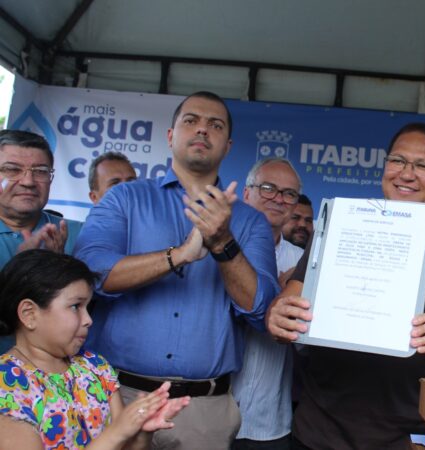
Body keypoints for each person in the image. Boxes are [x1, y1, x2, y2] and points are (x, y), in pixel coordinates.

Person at [267, 122, 425, 449]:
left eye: (422, 165)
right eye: (398, 161)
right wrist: (277, 316)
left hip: (403, 438)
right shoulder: (340, 226)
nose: (406, 173)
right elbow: (287, 304)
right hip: (318, 430)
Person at [74, 91, 279, 449]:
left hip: (203, 412)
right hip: (116, 397)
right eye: (191, 121)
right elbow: (93, 275)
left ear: (228, 145)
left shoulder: (250, 222)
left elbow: (260, 309)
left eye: (215, 125)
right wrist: (180, 254)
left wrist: (222, 243)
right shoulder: (125, 199)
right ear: (171, 137)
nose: (202, 131)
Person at [0, 249, 190, 449]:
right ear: (29, 314)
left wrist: (142, 430)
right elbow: (117, 436)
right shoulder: (8, 386)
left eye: (87, 307)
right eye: (75, 306)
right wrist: (117, 432)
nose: (89, 320)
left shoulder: (94, 367)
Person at [232, 157, 305, 450]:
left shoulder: (303, 264)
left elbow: (304, 343)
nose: (278, 198)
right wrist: (278, 289)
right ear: (246, 193)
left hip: (270, 422)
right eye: (268, 188)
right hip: (207, 412)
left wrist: (294, 290)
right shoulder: (216, 248)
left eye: (289, 193)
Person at [0, 129, 83, 353]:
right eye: (12, 170)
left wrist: (60, 269)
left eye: (40, 171)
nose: (28, 181)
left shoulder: (78, 234)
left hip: (54, 381)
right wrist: (24, 270)